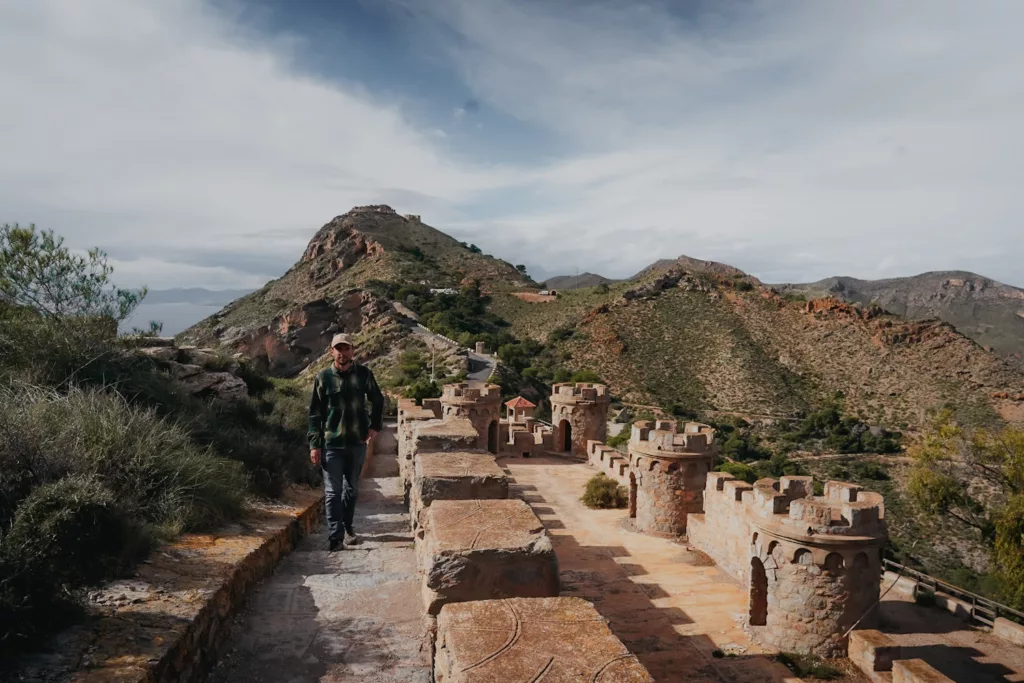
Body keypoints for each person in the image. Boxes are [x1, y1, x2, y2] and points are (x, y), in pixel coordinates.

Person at [308, 332, 385, 551]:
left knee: (351, 489)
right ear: (331, 351)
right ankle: (335, 536)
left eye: (346, 348)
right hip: (331, 443)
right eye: (338, 349)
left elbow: (378, 399)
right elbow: (314, 414)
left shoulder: (363, 374)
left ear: (353, 350)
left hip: (356, 443)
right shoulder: (322, 378)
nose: (342, 353)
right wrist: (314, 444)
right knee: (332, 492)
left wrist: (374, 426)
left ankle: (348, 527)